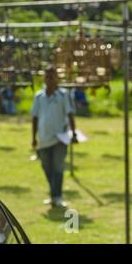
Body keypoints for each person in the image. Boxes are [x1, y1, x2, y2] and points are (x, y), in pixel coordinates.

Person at [31, 65, 78, 208]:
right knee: (47, 167)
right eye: (47, 76)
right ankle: (53, 193)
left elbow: (70, 115)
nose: (49, 79)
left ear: (57, 78)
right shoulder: (39, 96)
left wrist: (73, 133)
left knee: (58, 167)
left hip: (59, 138)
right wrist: (33, 137)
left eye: (52, 76)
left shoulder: (64, 95)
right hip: (44, 138)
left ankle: (57, 196)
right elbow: (35, 118)